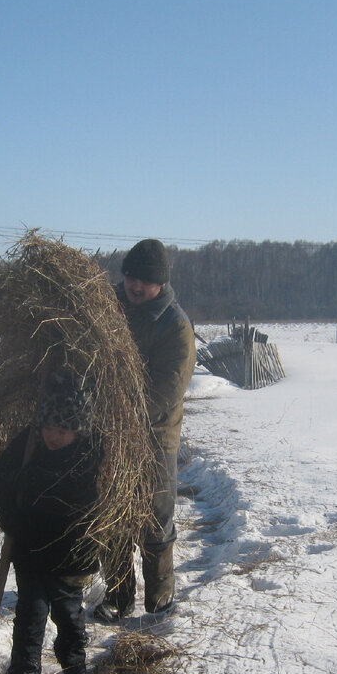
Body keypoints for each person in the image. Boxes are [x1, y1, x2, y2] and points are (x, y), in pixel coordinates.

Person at [94, 238, 196, 621]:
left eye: (145, 280)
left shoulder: (175, 326)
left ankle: (159, 597)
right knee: (113, 515)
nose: (135, 285)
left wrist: (123, 419)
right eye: (130, 276)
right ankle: (118, 598)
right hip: (108, 431)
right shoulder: (108, 307)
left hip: (154, 435)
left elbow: (166, 390)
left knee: (155, 516)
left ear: (161, 283)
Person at [0, 369, 103, 674]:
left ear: (77, 429)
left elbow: (78, 497)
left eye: (62, 430)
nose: (52, 436)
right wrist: (8, 509)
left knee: (68, 614)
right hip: (29, 549)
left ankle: (74, 671)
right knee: (30, 613)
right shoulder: (28, 443)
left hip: (70, 551)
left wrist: (35, 482)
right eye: (48, 427)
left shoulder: (90, 452)